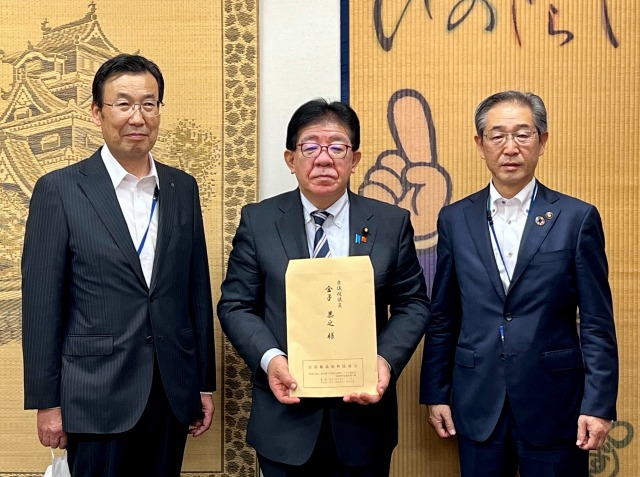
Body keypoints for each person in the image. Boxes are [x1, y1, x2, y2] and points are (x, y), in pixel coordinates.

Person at [21, 54, 216, 477]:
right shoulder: (60, 190)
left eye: (149, 104)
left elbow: (195, 290)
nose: (137, 117)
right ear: (97, 112)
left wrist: (203, 382)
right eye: (123, 104)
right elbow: (41, 305)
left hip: (171, 388)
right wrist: (47, 402)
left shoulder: (182, 187)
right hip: (95, 393)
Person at [217, 99, 429, 477]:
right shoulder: (259, 221)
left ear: (355, 158)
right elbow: (236, 305)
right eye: (311, 146)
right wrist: (271, 360)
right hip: (285, 419)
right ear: (290, 158)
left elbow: (413, 304)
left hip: (364, 421)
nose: (324, 159)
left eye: (337, 147)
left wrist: (383, 361)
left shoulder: (390, 223)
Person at [420, 90, 618, 476]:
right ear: (480, 144)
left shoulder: (576, 218)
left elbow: (596, 323)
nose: (510, 147)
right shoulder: (455, 220)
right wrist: (435, 392)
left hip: (555, 403)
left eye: (522, 135)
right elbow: (443, 315)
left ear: (542, 141)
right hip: (476, 399)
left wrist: (598, 405)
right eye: (497, 135)